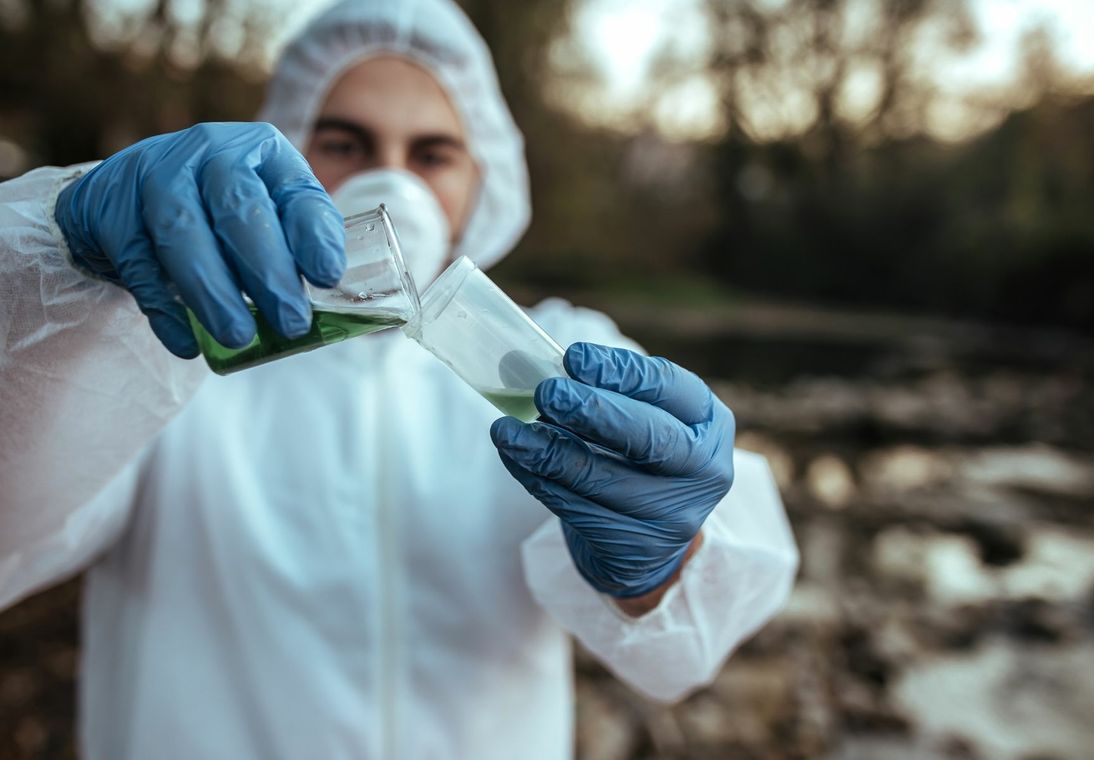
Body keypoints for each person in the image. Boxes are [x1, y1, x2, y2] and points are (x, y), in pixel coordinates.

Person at [0, 0, 798, 757]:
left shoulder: (551, 352)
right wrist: (57, 283)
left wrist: (670, 559)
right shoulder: (171, 352)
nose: (394, 185)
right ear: (281, 156)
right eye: (345, 144)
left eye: (431, 154)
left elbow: (693, 645)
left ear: (482, 180)